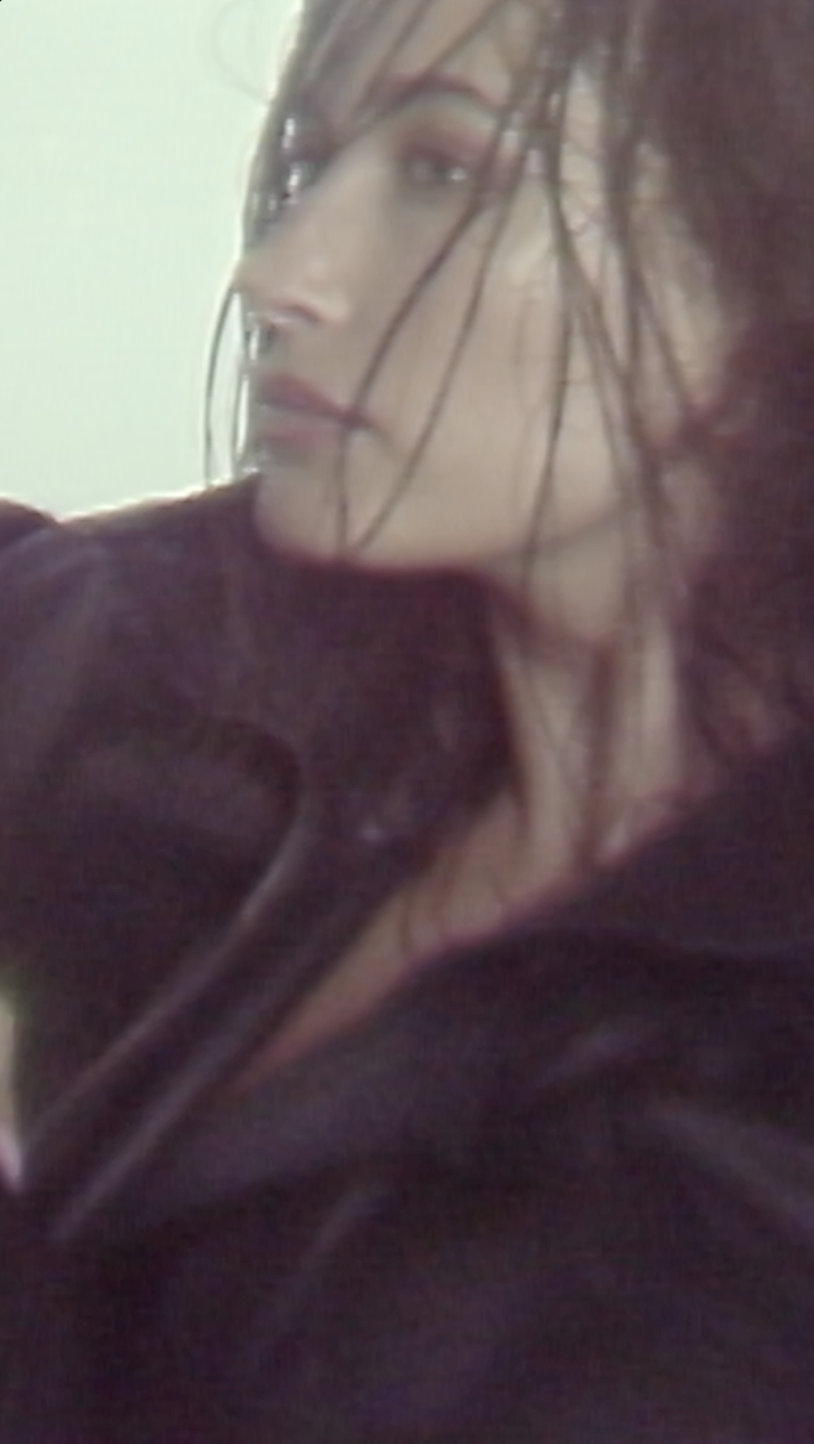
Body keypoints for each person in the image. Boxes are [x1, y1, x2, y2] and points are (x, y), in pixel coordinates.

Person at [4, 0, 814, 1437]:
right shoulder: (221, 665)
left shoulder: (749, 1159)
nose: (278, 272)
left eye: (445, 171)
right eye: (311, 162)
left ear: (771, 246)